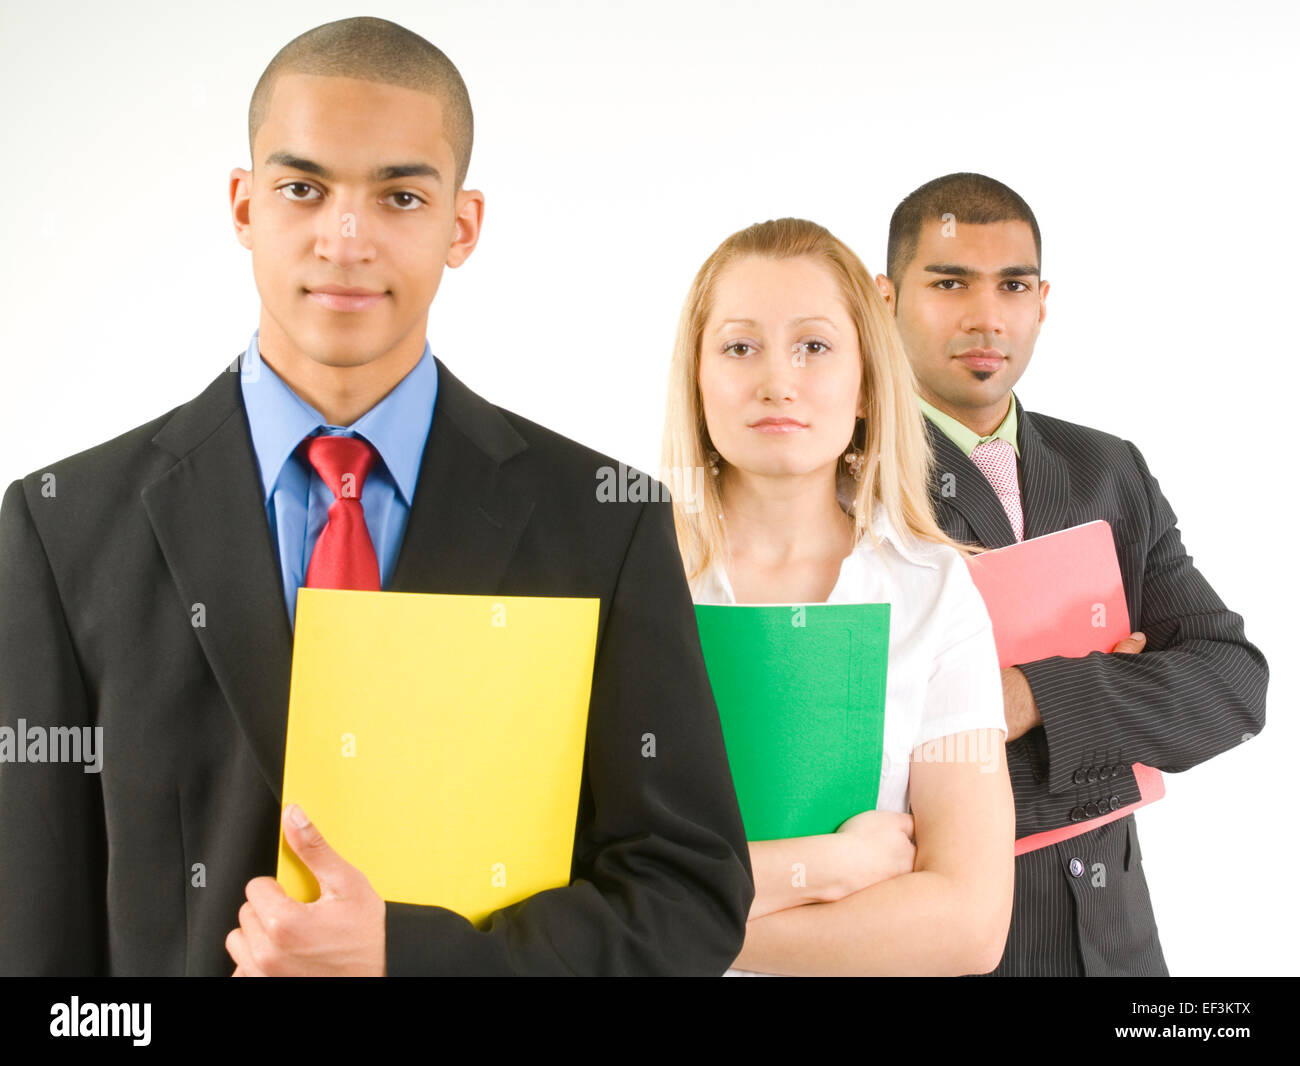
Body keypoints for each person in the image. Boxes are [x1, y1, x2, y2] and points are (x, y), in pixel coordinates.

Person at [0, 16, 753, 976]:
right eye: (302, 188)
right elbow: (33, 935)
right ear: (243, 206)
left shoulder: (604, 521)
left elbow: (687, 891)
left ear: (462, 225)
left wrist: (412, 955)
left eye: (399, 195)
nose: (344, 240)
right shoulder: (62, 526)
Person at [875, 172, 1269, 975]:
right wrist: (1113, 709)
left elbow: (1233, 685)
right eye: (949, 283)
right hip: (943, 947)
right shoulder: (846, 479)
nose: (987, 317)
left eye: (1012, 285)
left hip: (1119, 945)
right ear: (885, 299)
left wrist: (1024, 696)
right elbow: (861, 745)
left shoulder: (1107, 469)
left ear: (1043, 300)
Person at [661, 217, 1015, 976]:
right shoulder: (624, 576)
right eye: (739, 346)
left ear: (864, 385)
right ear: (697, 378)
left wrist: (664, 923)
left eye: (814, 346)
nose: (776, 381)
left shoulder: (933, 590)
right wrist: (825, 867)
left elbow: (969, 924)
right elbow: (568, 866)